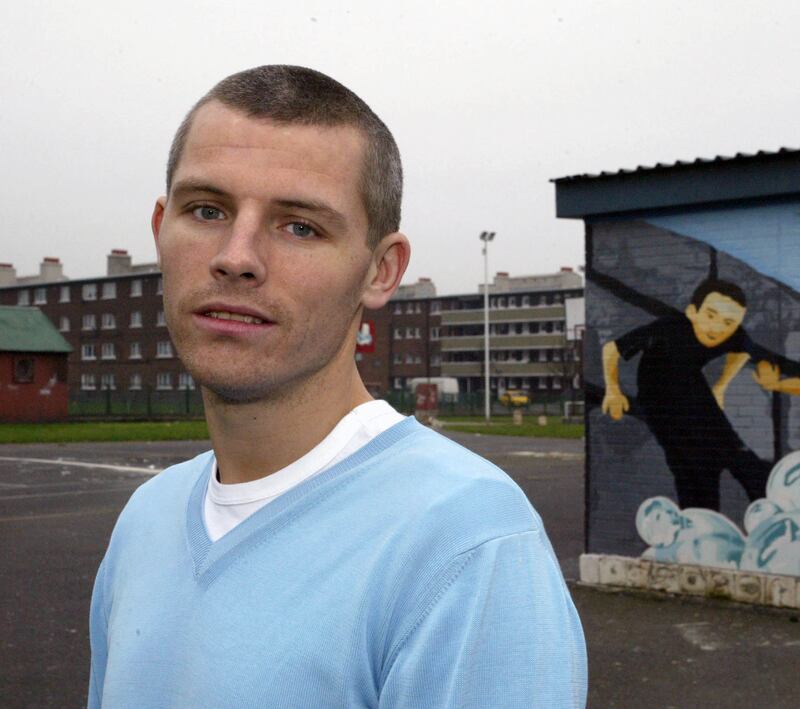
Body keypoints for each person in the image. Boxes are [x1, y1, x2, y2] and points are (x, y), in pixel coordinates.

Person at [88, 65, 587, 708]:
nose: (236, 256)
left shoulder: (465, 547)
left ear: (381, 271)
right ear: (162, 227)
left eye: (300, 226)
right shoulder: (145, 522)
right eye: (206, 210)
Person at [601, 278, 773, 510]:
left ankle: (770, 509)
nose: (717, 327)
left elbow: (743, 349)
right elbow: (611, 349)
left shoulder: (734, 334)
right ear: (693, 312)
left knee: (734, 451)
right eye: (710, 315)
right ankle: (701, 519)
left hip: (693, 388)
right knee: (692, 466)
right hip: (658, 398)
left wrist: (721, 386)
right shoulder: (669, 328)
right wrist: (613, 391)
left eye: (728, 322)